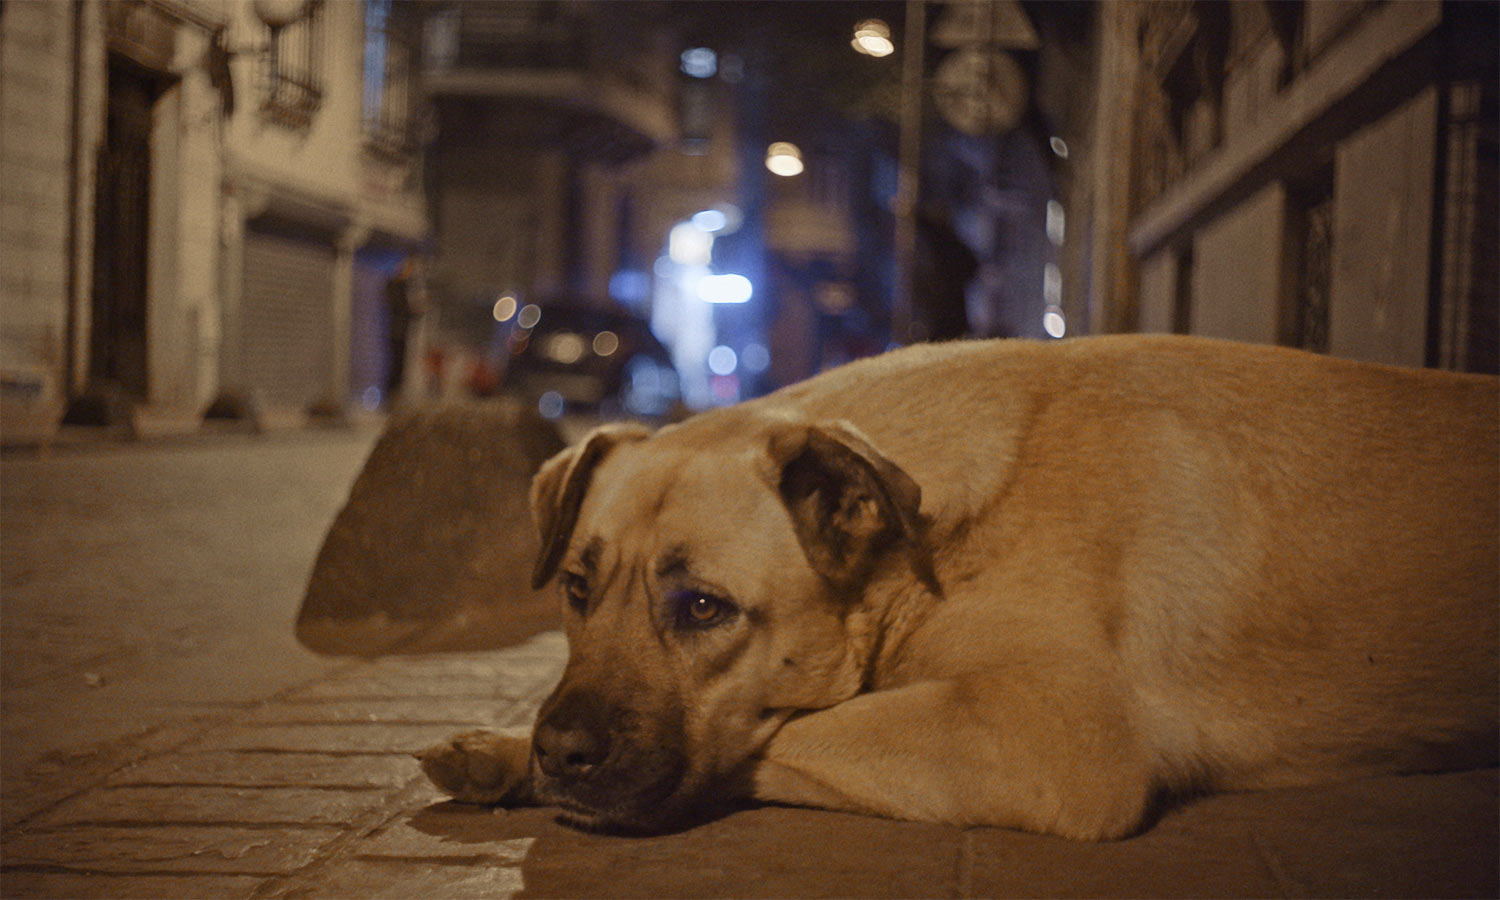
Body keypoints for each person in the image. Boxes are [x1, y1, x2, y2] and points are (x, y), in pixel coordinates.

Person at [384, 255, 426, 407]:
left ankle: (397, 396)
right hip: (396, 331)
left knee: (401, 365)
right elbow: (397, 306)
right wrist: (411, 308)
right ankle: (390, 397)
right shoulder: (395, 285)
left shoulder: (409, 286)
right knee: (395, 364)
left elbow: (415, 312)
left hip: (404, 332)